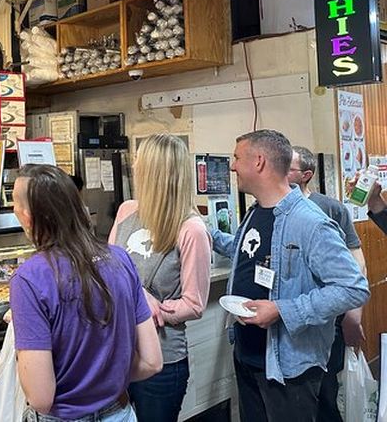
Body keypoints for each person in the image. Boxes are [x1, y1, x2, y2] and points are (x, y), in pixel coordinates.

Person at [212, 130, 369, 422]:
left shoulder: (310, 222)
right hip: (248, 356)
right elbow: (243, 250)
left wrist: (282, 310)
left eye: (236, 158)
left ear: (258, 161)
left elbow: (353, 287)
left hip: (289, 368)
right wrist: (204, 233)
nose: (232, 166)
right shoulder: (256, 212)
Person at [10, 164, 163, 422]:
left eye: (13, 202)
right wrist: (104, 379)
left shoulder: (29, 279)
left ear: (28, 216)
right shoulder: (120, 259)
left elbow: (41, 397)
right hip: (120, 414)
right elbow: (152, 362)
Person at [108, 133, 211, 422]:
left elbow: (194, 304)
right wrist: (141, 294)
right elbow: (109, 269)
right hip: (118, 352)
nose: (134, 166)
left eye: (139, 161)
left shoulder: (192, 229)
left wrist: (155, 307)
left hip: (163, 363)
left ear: (153, 170)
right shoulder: (127, 210)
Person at [290, 146, 367, 422]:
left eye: (289, 167)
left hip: (328, 320)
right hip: (291, 323)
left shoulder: (331, 209)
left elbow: (357, 263)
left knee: (326, 395)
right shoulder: (268, 209)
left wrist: (353, 316)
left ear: (306, 175)